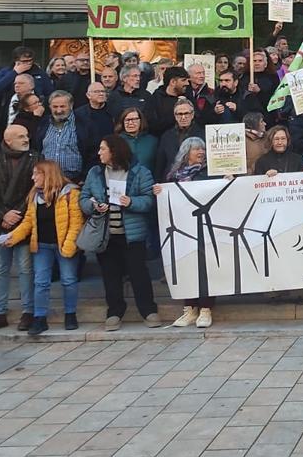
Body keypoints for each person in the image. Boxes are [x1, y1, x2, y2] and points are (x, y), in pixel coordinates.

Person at [81, 134, 161, 331]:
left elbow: (149, 200)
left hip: (132, 234)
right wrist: (93, 206)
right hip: (106, 234)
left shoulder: (140, 172)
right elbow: (83, 198)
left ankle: (148, 310)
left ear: (114, 151)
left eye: (103, 149)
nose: (99, 153)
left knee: (138, 273)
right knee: (110, 275)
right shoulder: (95, 173)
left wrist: (132, 202)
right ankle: (115, 311)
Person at [2, 160, 83, 334]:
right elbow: (28, 222)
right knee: (40, 282)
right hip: (42, 246)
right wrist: (13, 237)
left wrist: (69, 246)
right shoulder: (35, 196)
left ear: (47, 174)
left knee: (68, 280)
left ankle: (70, 314)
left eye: (36, 174)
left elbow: (76, 223)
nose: (32, 178)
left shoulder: (70, 193)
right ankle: (40, 318)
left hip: (63, 244)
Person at [0, 125, 39, 333]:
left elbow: (36, 188)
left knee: (26, 268)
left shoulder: (35, 158)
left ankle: (28, 311)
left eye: (26, 135)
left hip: (23, 221)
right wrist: (3, 213)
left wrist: (16, 214)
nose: (26, 139)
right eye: (21, 136)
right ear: (8, 139)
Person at [158, 138, 219, 328]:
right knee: (186, 266)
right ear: (186, 152)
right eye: (196, 149)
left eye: (203, 148)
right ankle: (189, 309)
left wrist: (226, 180)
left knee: (204, 267)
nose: (201, 152)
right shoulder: (173, 174)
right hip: (183, 227)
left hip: (204, 228)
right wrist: (160, 190)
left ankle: (206, 309)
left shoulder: (210, 172)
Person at [36, 91, 86, 182]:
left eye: (62, 106)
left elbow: (90, 152)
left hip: (74, 180)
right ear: (50, 107)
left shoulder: (82, 123)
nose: (59, 110)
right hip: (47, 179)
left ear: (71, 106)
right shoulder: (43, 123)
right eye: (55, 107)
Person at [154, 98, 202, 181]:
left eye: (186, 113)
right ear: (175, 116)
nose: (183, 117)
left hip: (196, 182)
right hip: (171, 182)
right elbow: (160, 165)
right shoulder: (166, 136)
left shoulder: (202, 134)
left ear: (192, 114)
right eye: (180, 114)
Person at [146, 66, 190, 135]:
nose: (187, 83)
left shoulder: (188, 97)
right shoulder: (156, 99)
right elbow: (152, 124)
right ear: (172, 82)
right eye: (183, 80)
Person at [117, 107, 158, 171]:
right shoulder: (116, 141)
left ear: (141, 121)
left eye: (134, 119)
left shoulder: (153, 141)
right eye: (127, 120)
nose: (130, 123)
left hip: (149, 179)